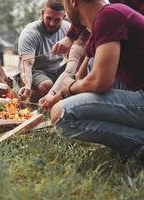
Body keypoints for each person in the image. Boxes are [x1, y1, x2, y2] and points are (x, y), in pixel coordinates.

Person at [48, 0, 144, 161]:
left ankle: (139, 143)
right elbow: (82, 75)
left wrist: (70, 88)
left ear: (72, 2)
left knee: (61, 114)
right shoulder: (105, 18)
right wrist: (56, 96)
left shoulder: (109, 16)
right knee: (93, 65)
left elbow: (100, 82)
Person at [17, 0, 70, 102]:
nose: (52, 23)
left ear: (64, 18)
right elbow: (26, 64)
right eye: (49, 18)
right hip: (35, 71)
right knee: (46, 85)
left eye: (57, 20)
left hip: (56, 70)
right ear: (42, 13)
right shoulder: (30, 32)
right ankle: (32, 99)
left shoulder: (68, 28)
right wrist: (27, 84)